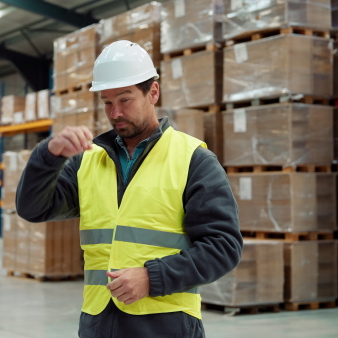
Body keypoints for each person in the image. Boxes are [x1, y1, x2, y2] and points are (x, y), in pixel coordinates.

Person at [15, 40, 243, 337]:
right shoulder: (88, 160)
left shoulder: (192, 159)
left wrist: (152, 277)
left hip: (165, 324)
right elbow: (33, 208)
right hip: (98, 322)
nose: (115, 113)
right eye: (107, 102)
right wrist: (48, 155)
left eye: (125, 100)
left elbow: (224, 246)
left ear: (153, 93)